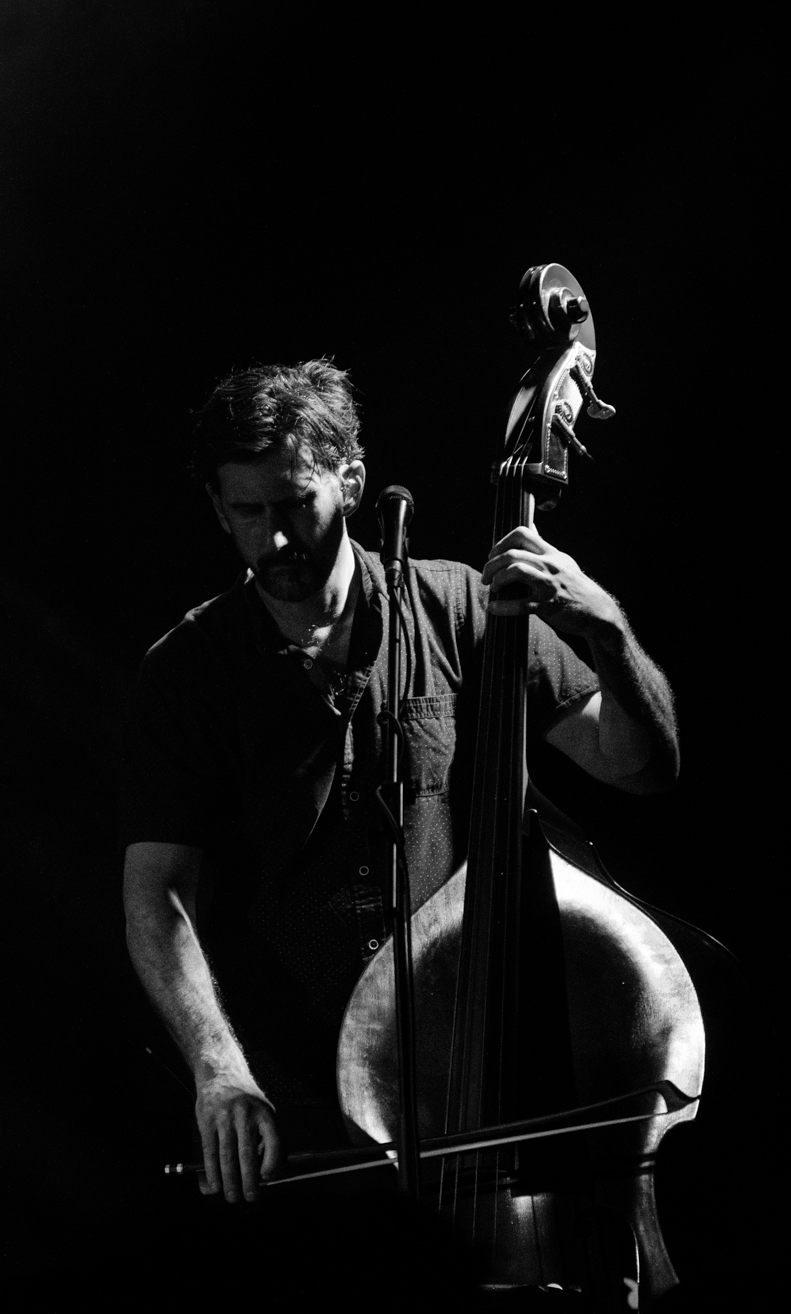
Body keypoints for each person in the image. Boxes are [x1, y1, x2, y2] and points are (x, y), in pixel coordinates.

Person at [121, 361, 678, 1205]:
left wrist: (605, 628)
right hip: (298, 1105)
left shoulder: (461, 607)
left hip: (479, 1077)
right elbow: (157, 898)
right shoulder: (186, 674)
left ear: (351, 481)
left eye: (295, 504)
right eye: (248, 513)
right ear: (218, 508)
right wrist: (218, 1068)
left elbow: (639, 764)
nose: (275, 540)